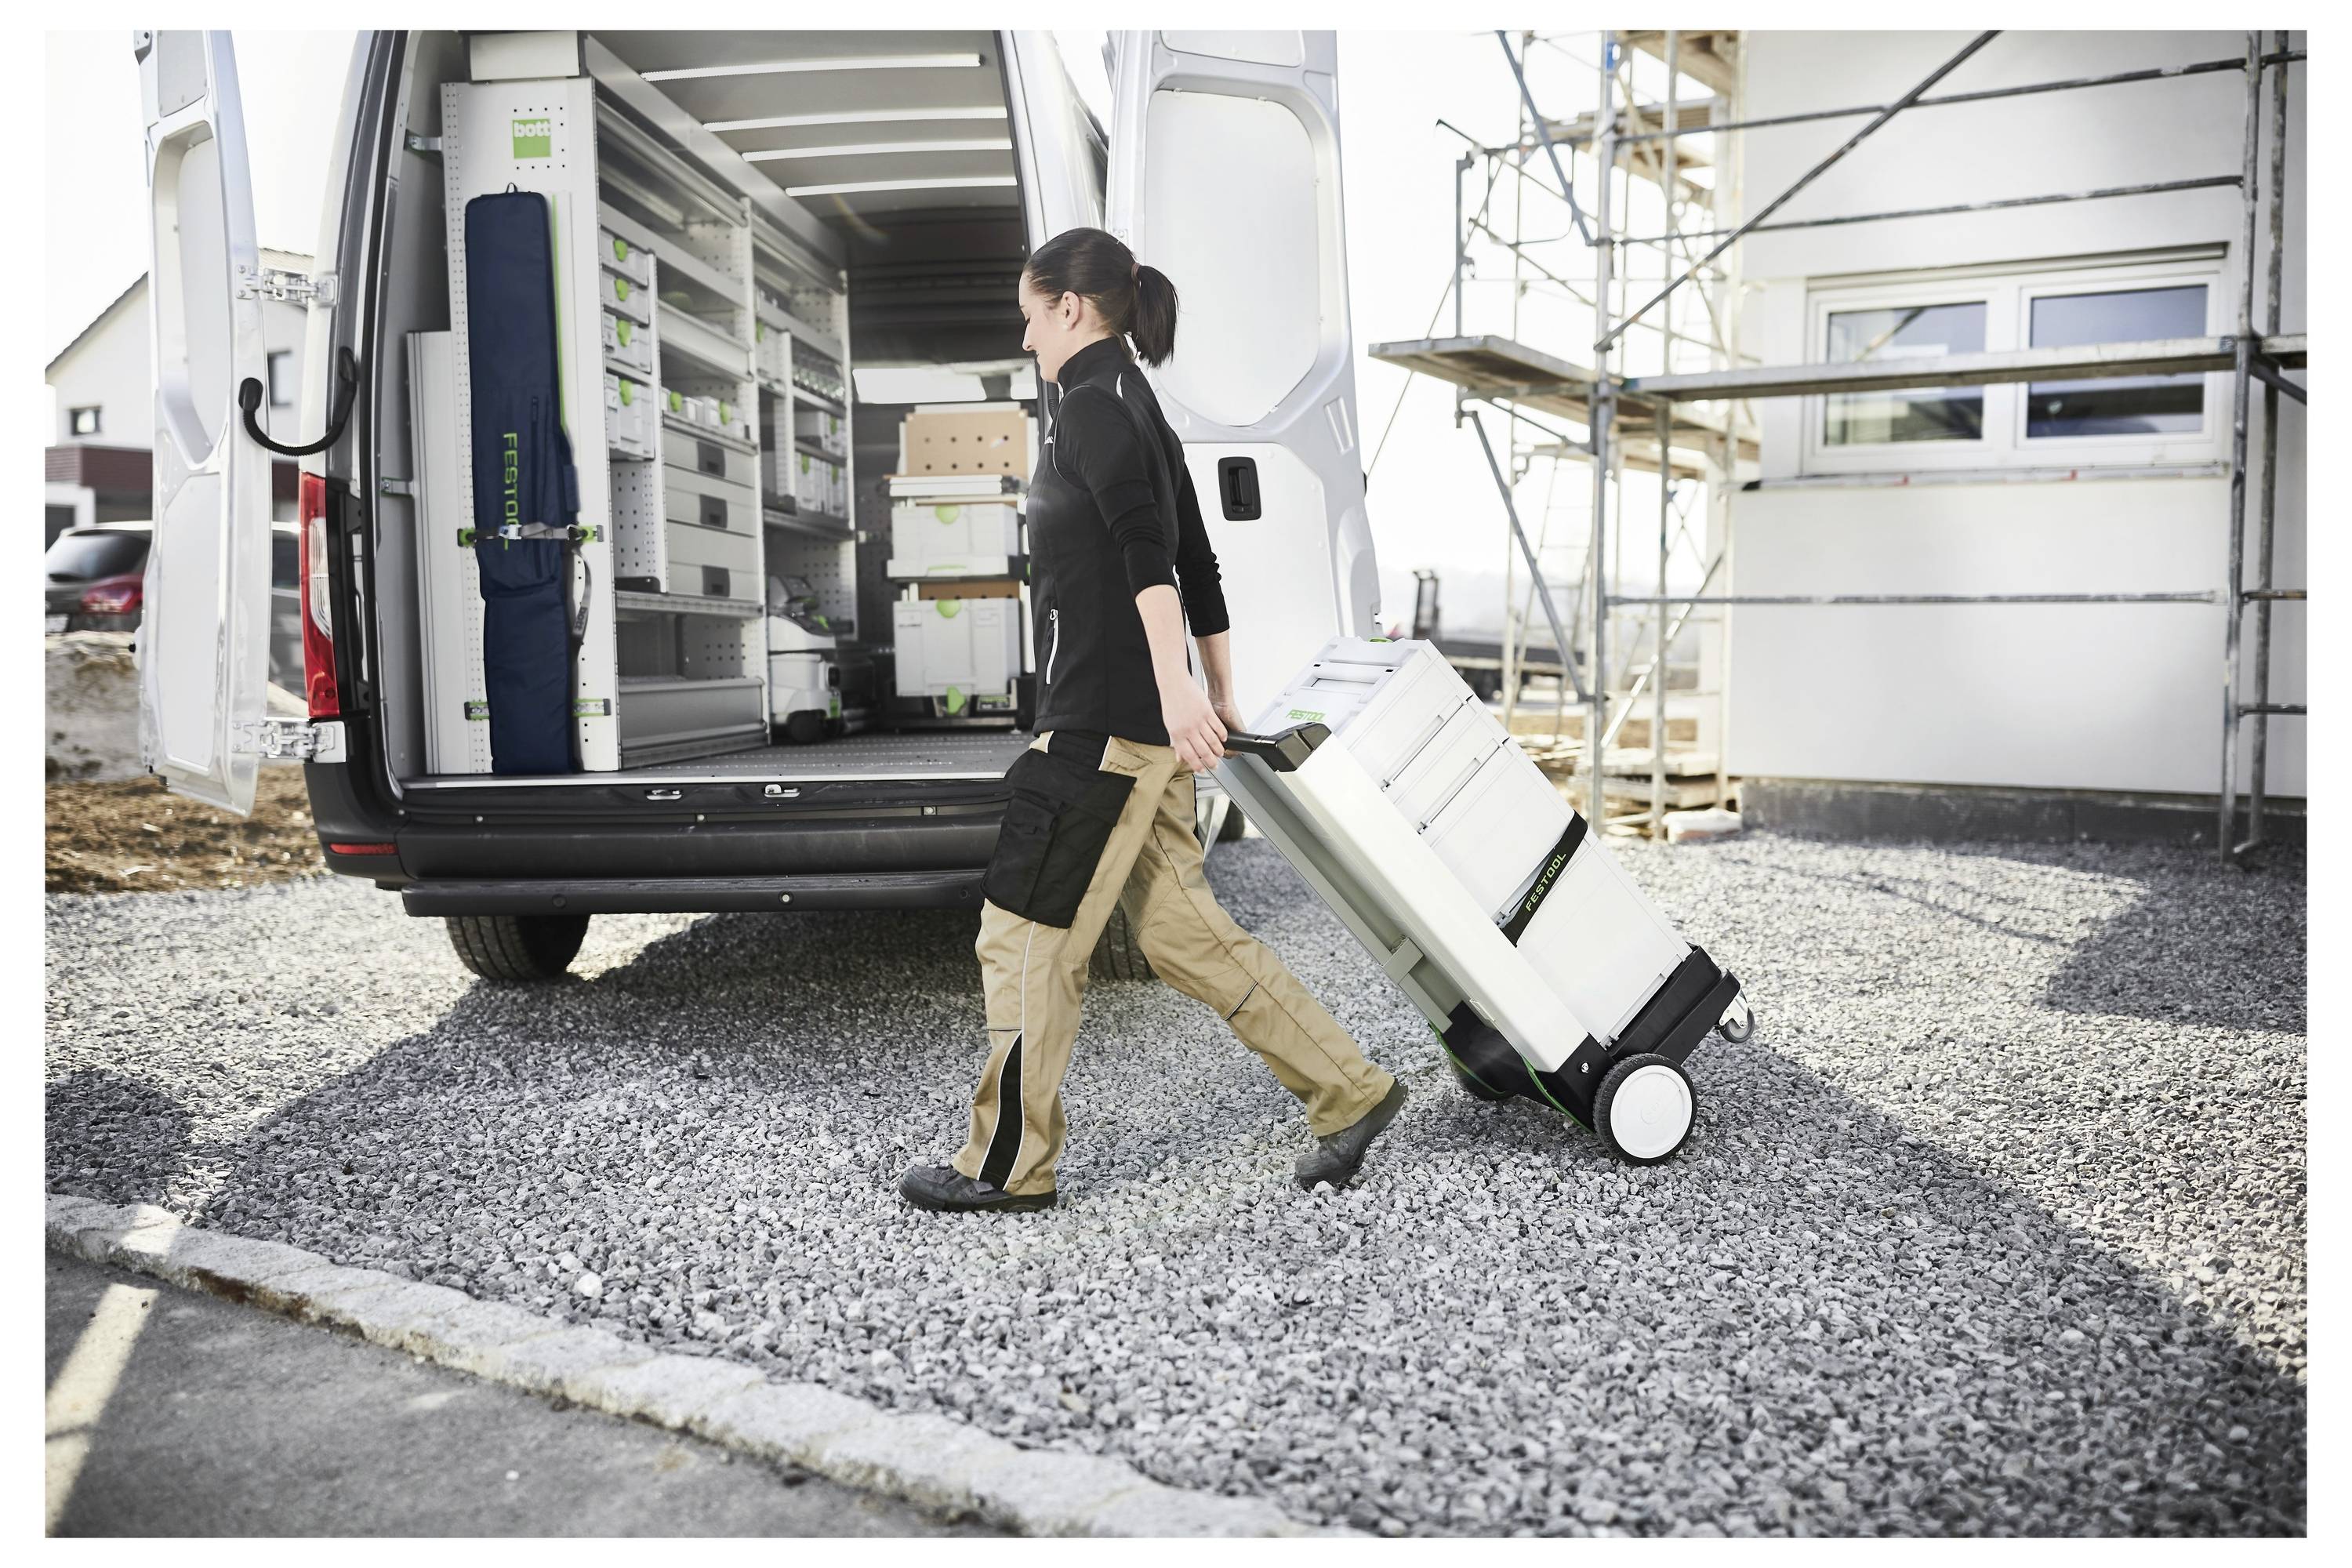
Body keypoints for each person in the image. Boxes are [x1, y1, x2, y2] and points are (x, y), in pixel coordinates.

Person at [898, 228, 1406, 1214]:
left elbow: (1150, 555)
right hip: (1145, 734)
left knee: (1025, 938)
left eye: (1030, 314)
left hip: (1101, 732)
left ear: (1072, 309)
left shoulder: (1094, 407)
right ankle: (1351, 1090)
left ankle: (1006, 1166)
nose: (1027, 334)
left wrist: (1183, 693)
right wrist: (1213, 692)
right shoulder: (1140, 406)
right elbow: (1201, 564)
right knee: (1184, 936)